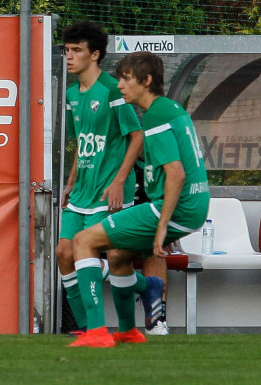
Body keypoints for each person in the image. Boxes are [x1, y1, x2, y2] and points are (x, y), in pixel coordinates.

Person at [68, 51, 209, 348]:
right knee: (118, 255)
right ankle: (129, 329)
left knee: (82, 241)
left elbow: (176, 175)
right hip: (192, 206)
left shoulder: (157, 115)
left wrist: (162, 225)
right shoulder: (170, 109)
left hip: (178, 207)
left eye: (126, 78)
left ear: (146, 81)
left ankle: (95, 332)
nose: (119, 85)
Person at [57, 22, 163, 336]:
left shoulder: (112, 90)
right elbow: (83, 142)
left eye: (77, 50)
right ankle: (88, 326)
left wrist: (119, 180)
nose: (70, 57)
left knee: (97, 253)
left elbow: (136, 137)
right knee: (64, 253)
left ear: (96, 54)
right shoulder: (73, 94)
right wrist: (71, 181)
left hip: (110, 192)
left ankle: (96, 330)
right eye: (67, 50)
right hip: (82, 191)